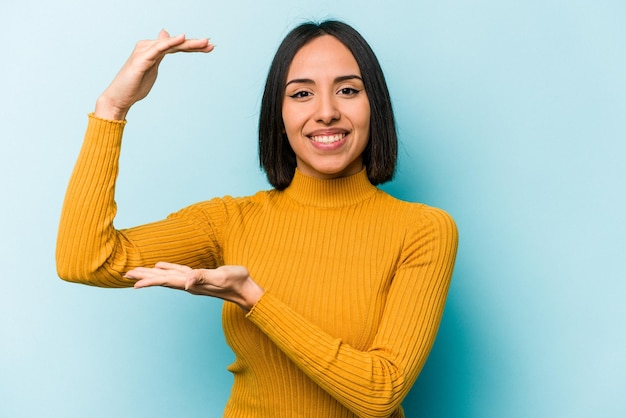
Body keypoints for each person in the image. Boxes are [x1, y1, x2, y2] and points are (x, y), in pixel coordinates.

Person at [56, 20, 458, 418]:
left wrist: (254, 299)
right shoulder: (230, 221)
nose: (327, 112)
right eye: (302, 94)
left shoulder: (422, 230)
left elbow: (379, 394)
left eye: (348, 90)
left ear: (375, 106)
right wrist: (111, 109)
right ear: (278, 116)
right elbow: (87, 260)